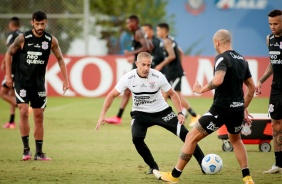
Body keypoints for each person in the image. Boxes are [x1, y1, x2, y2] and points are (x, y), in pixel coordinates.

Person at [153, 29, 256, 184]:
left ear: (217, 42)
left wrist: (201, 89)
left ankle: (174, 176)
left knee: (190, 137)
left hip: (221, 110)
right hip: (236, 110)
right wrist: (243, 108)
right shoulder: (242, 59)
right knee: (236, 140)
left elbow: (218, 80)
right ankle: (247, 177)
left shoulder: (221, 58)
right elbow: (251, 88)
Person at [96, 52, 205, 174]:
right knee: (136, 138)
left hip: (161, 111)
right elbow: (112, 95)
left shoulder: (158, 76)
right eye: (143, 65)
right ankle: (153, 166)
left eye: (149, 65)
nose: (147, 68)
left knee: (186, 134)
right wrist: (102, 114)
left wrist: (180, 113)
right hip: (140, 114)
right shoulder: (128, 77)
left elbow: (173, 94)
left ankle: (203, 162)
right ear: (137, 64)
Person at [5, 11, 69, 161]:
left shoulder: (51, 40)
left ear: (46, 23)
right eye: (37, 23)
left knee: (39, 116)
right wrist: (9, 75)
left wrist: (65, 80)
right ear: (32, 22)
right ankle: (26, 150)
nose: (40, 26)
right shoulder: (23, 38)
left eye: (43, 23)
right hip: (22, 82)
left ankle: (39, 153)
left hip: (38, 84)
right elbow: (9, 54)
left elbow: (60, 59)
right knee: (23, 112)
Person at [105, 15, 149, 125]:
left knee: (138, 89)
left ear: (134, 23)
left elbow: (146, 47)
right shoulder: (137, 33)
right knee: (129, 90)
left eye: (129, 23)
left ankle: (120, 117)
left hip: (140, 66)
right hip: (138, 64)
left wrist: (132, 53)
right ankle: (118, 116)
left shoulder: (138, 32)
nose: (127, 25)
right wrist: (134, 58)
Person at [156, 23, 200, 126]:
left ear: (164, 30)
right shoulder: (171, 39)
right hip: (173, 72)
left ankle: (194, 115)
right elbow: (181, 52)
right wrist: (178, 65)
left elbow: (172, 56)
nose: (157, 32)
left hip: (174, 73)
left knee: (175, 95)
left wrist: (160, 65)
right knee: (165, 93)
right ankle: (163, 116)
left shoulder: (167, 41)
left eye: (158, 30)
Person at [256, 9, 282, 174]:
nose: (272, 27)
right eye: (270, 24)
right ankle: (278, 164)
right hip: (276, 88)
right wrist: (260, 80)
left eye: (276, 23)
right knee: (275, 124)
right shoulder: (269, 39)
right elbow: (273, 63)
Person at [1, 17, 21, 129]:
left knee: (2, 93)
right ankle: (11, 122)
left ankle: (24, 107)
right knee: (11, 95)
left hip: (13, 69)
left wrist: (4, 63)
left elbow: (9, 52)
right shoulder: (23, 35)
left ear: (11, 24)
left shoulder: (11, 35)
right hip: (21, 69)